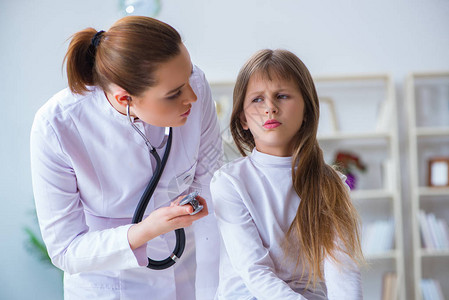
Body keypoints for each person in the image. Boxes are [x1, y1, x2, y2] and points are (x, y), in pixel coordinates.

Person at [30, 16, 222, 300]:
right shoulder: (57, 126)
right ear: (125, 99)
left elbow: (212, 186)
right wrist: (147, 230)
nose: (191, 96)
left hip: (188, 276)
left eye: (189, 77)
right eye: (174, 94)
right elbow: (66, 251)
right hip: (110, 286)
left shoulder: (195, 86)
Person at [210, 49, 364, 300]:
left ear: (306, 111)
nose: (270, 107)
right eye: (257, 99)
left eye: (282, 96)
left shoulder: (332, 183)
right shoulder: (229, 183)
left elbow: (342, 269)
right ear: (243, 118)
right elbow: (254, 270)